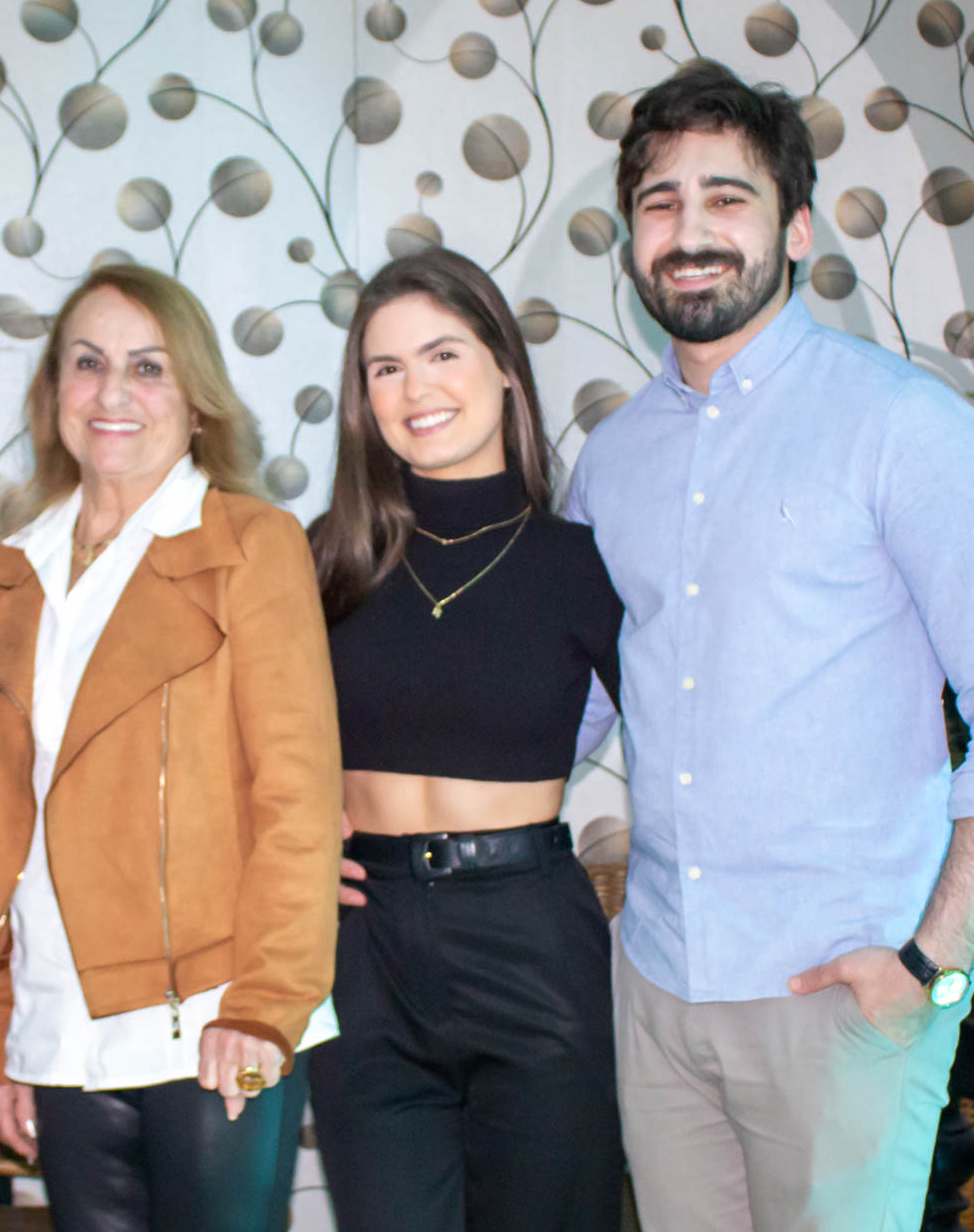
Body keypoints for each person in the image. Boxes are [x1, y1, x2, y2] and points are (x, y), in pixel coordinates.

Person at [565, 60, 974, 1230]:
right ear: (632, 239)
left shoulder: (906, 427)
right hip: (657, 983)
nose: (689, 231)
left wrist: (930, 966)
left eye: (726, 197)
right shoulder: (612, 459)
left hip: (845, 994)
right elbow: (570, 700)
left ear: (794, 229)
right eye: (659, 202)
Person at [0, 264, 342, 1232]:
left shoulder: (250, 544)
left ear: (197, 400)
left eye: (148, 367)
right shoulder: (4, 578)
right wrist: (4, 1034)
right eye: (87, 363)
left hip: (216, 1017)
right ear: (53, 391)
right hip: (57, 1027)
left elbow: (298, 798)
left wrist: (265, 1003)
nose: (113, 393)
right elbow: (1, 828)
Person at [306, 247, 626, 1232]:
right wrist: (285, 849)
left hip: (530, 943)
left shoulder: (582, 564)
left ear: (503, 368)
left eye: (442, 354)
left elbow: (699, 748)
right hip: (363, 949)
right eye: (386, 368)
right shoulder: (323, 558)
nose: (416, 389)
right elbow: (241, 745)